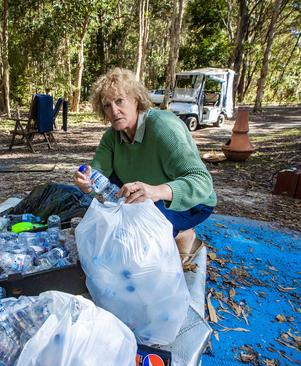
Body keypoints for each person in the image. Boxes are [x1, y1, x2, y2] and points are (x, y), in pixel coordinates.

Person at [73, 68, 216, 264]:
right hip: (144, 194)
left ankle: (184, 235)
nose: (114, 111)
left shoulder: (163, 128)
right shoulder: (112, 136)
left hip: (191, 202)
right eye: (107, 105)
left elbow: (202, 182)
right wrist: (87, 182)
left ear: (136, 99)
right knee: (112, 219)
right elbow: (98, 173)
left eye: (120, 101)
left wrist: (156, 191)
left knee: (140, 239)